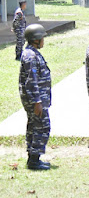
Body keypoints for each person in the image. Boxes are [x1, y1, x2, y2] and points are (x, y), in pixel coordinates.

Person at [19, 24, 51, 170]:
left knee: (34, 127)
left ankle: (33, 158)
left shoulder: (31, 53)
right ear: (36, 39)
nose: (44, 40)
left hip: (36, 99)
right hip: (36, 100)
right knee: (42, 126)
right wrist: (37, 101)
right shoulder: (31, 56)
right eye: (42, 37)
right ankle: (34, 159)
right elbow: (31, 80)